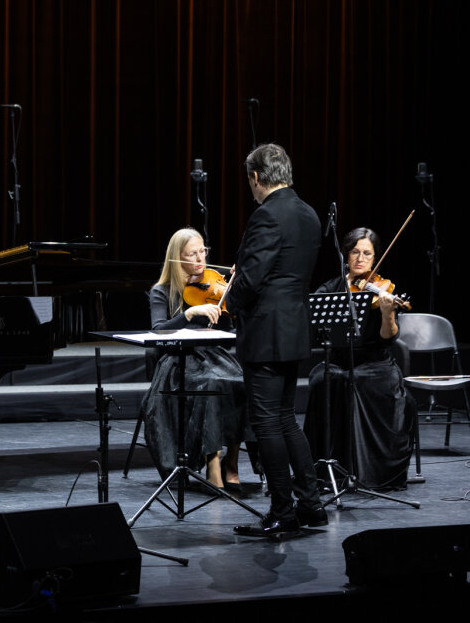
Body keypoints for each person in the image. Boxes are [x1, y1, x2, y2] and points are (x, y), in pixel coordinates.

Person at [225, 143, 325, 538]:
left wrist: (230, 300)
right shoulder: (308, 213)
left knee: (266, 421)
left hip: (267, 332)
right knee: (284, 417)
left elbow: (251, 280)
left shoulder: (267, 214)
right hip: (294, 328)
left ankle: (283, 511)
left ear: (255, 177)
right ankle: (311, 505)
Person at [304, 227, 414, 490]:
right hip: (339, 361)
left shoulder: (382, 290)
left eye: (367, 253)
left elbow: (388, 338)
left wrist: (387, 313)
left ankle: (372, 473)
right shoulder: (331, 288)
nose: (360, 258)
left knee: (371, 384)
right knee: (322, 380)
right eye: (355, 252)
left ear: (375, 258)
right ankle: (325, 469)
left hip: (376, 364)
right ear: (346, 254)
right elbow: (312, 324)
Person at [144, 228, 246, 490]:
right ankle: (213, 463)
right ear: (177, 257)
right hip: (178, 361)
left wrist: (231, 298)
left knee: (241, 382)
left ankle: (232, 463)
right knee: (211, 383)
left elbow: (229, 335)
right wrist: (189, 315)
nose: (201, 259)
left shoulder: (212, 286)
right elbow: (158, 331)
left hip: (213, 356)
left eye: (203, 251)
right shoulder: (162, 291)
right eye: (193, 254)